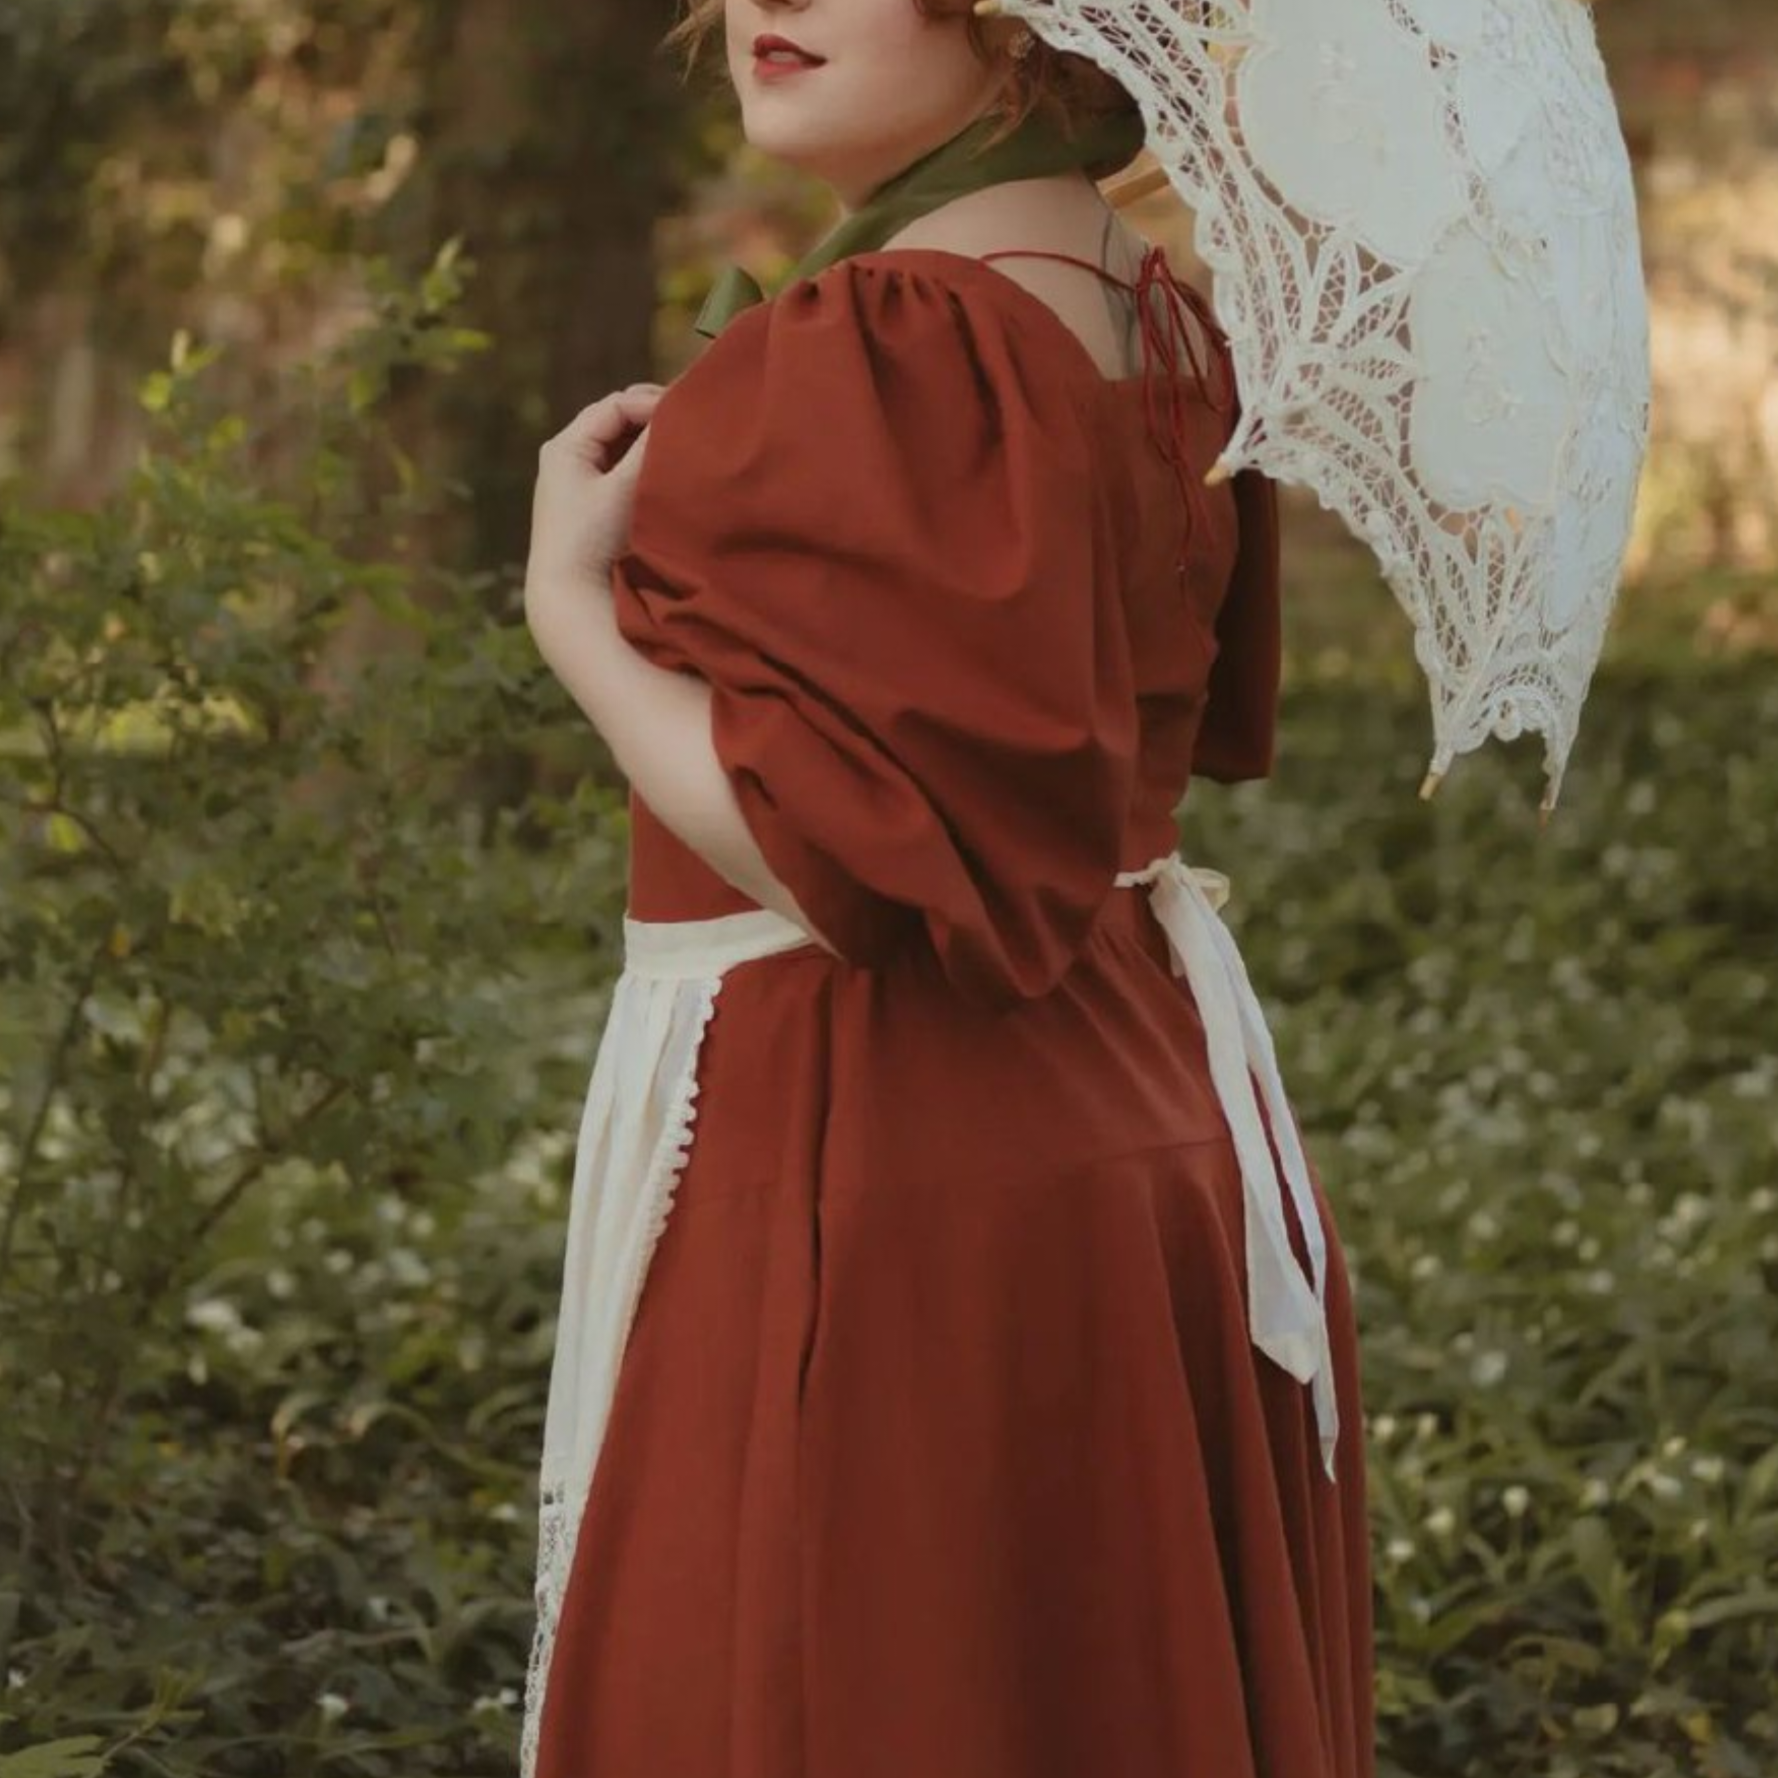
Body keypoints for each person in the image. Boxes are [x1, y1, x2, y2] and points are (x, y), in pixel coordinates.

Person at [518, 1, 1376, 1775]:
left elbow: (851, 867)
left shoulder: (903, 330)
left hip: (890, 1138)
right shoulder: (1157, 313)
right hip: (1135, 1095)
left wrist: (567, 616)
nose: (768, 3)